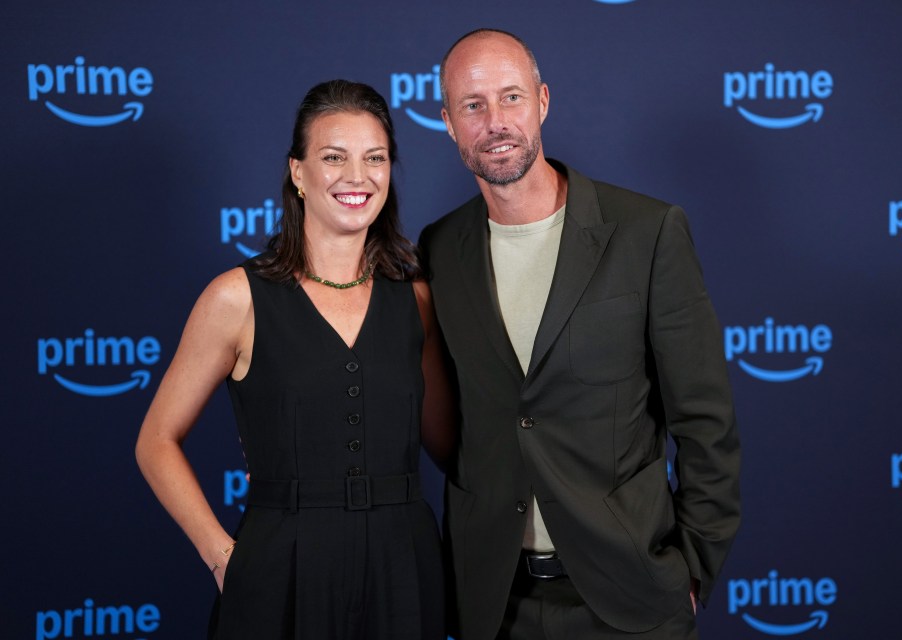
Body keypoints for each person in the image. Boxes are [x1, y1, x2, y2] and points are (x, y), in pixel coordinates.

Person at [419, 29, 741, 640]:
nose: (495, 122)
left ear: (542, 101)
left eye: (510, 98)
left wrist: (692, 570)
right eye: (472, 105)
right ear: (448, 122)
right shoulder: (440, 247)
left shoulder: (646, 231)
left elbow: (706, 421)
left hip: (627, 597)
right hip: (492, 601)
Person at [136, 79, 453, 639]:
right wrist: (219, 554)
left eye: (374, 158)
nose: (357, 176)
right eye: (334, 157)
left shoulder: (416, 298)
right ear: (298, 172)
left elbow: (450, 443)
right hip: (280, 568)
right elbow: (156, 441)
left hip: (404, 564)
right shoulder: (236, 297)